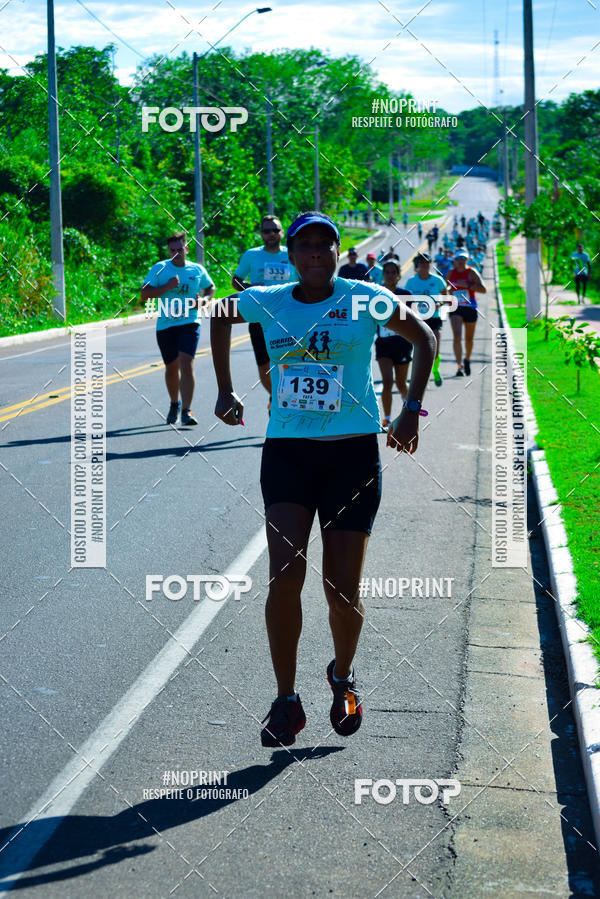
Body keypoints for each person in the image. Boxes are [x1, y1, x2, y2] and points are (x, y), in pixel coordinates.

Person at [211, 211, 435, 747]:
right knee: (285, 576)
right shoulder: (269, 298)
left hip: (352, 457)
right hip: (288, 454)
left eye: (324, 245)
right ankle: (286, 700)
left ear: (338, 251)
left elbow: (423, 336)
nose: (315, 254)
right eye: (304, 246)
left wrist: (410, 410)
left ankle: (342, 676)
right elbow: (218, 314)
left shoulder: (363, 296)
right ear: (290, 255)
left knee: (341, 589)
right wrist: (224, 389)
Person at [141, 232, 215, 426]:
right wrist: (166, 286)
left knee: (186, 362)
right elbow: (144, 294)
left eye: (180, 249)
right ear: (168, 251)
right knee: (171, 368)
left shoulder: (196, 269)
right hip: (166, 325)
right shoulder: (160, 268)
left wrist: (204, 301)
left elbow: (210, 287)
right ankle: (175, 403)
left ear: (186, 249)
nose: (176, 253)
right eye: (172, 250)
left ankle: (187, 411)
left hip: (190, 322)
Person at [233, 215, 297, 401]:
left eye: (275, 230)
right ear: (261, 234)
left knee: (288, 361)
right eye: (267, 231)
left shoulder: (291, 255)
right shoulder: (252, 255)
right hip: (260, 317)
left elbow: (303, 280)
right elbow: (236, 280)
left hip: (288, 317)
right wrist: (250, 288)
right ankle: (275, 397)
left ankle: (287, 396)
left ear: (282, 233)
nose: (271, 234)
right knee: (264, 365)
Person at [375, 259, 414, 427]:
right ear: (383, 274)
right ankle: (387, 418)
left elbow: (413, 320)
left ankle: (408, 411)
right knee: (387, 381)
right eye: (387, 272)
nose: (390, 275)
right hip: (383, 343)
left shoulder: (405, 294)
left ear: (399, 275)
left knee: (401, 383)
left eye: (393, 272)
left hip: (402, 342)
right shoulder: (377, 293)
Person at [404, 253, 448, 386]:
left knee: (435, 348)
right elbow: (406, 300)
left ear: (430, 264)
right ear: (418, 265)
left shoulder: (438, 280)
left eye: (427, 262)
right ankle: (417, 375)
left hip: (434, 318)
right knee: (418, 348)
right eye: (422, 262)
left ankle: (435, 369)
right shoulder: (411, 282)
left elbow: (446, 296)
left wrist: (439, 304)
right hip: (418, 319)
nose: (424, 265)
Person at [446, 250, 486, 377]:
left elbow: (483, 289)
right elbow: (445, 289)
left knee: (469, 339)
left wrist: (468, 285)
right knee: (457, 335)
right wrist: (448, 293)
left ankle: (467, 359)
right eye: (458, 259)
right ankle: (459, 366)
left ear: (466, 260)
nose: (460, 261)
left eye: (463, 259)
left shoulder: (471, 272)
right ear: (455, 260)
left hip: (470, 307)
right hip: (456, 307)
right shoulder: (451, 273)